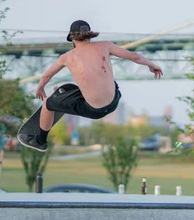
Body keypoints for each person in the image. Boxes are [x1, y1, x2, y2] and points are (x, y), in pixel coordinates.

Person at [18, 20, 163, 152]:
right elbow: (134, 56)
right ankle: (70, 95)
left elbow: (46, 76)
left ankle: (40, 141)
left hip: (93, 110)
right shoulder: (106, 45)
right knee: (102, 79)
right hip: (114, 102)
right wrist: (151, 65)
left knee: (48, 104)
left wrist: (40, 88)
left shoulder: (67, 57)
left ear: (72, 38)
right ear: (89, 35)